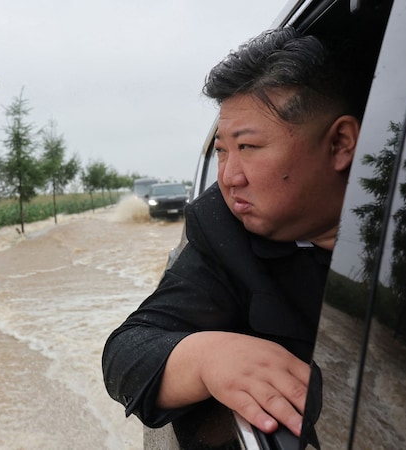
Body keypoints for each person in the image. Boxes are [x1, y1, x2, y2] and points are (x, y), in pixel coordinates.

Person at [102, 26, 362, 445]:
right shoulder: (223, 230)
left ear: (340, 144)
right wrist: (205, 358)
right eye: (222, 150)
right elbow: (127, 353)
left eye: (249, 148)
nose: (227, 177)